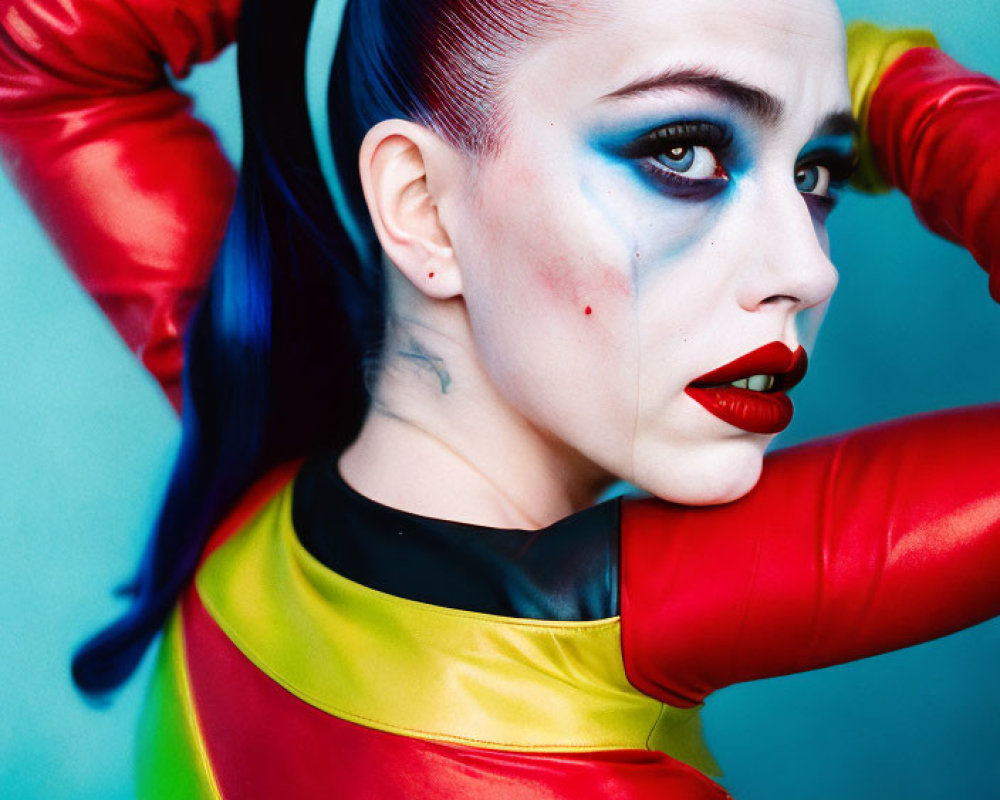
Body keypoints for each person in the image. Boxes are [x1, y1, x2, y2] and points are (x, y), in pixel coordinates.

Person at [1, 0, 999, 797]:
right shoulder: (583, 640)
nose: (806, 269)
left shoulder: (252, 442)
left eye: (819, 169)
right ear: (422, 205)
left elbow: (47, 55)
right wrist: (903, 96)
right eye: (684, 150)